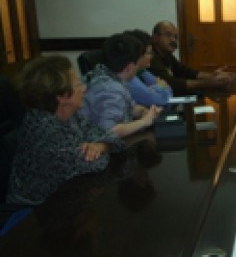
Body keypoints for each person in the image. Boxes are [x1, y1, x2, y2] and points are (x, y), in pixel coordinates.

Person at [6, 56, 124, 205]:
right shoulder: (45, 133)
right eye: (78, 84)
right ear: (62, 97)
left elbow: (111, 136)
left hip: (66, 195)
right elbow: (96, 164)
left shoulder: (69, 115)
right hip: (33, 210)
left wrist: (100, 146)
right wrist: (103, 146)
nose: (84, 88)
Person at [81, 33, 162, 138]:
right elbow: (109, 132)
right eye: (137, 65)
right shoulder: (110, 89)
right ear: (130, 67)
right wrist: (145, 122)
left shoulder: (109, 76)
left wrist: (142, 111)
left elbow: (129, 107)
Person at [149, 20, 236, 95]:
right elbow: (170, 83)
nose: (173, 40)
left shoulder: (167, 54)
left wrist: (212, 76)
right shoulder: (150, 57)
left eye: (175, 37)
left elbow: (185, 71)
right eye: (168, 35)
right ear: (155, 38)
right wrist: (207, 83)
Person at [123, 29, 173, 106]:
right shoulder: (128, 76)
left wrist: (153, 89)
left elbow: (169, 91)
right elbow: (158, 101)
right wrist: (159, 87)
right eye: (149, 53)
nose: (152, 56)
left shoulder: (143, 72)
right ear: (138, 54)